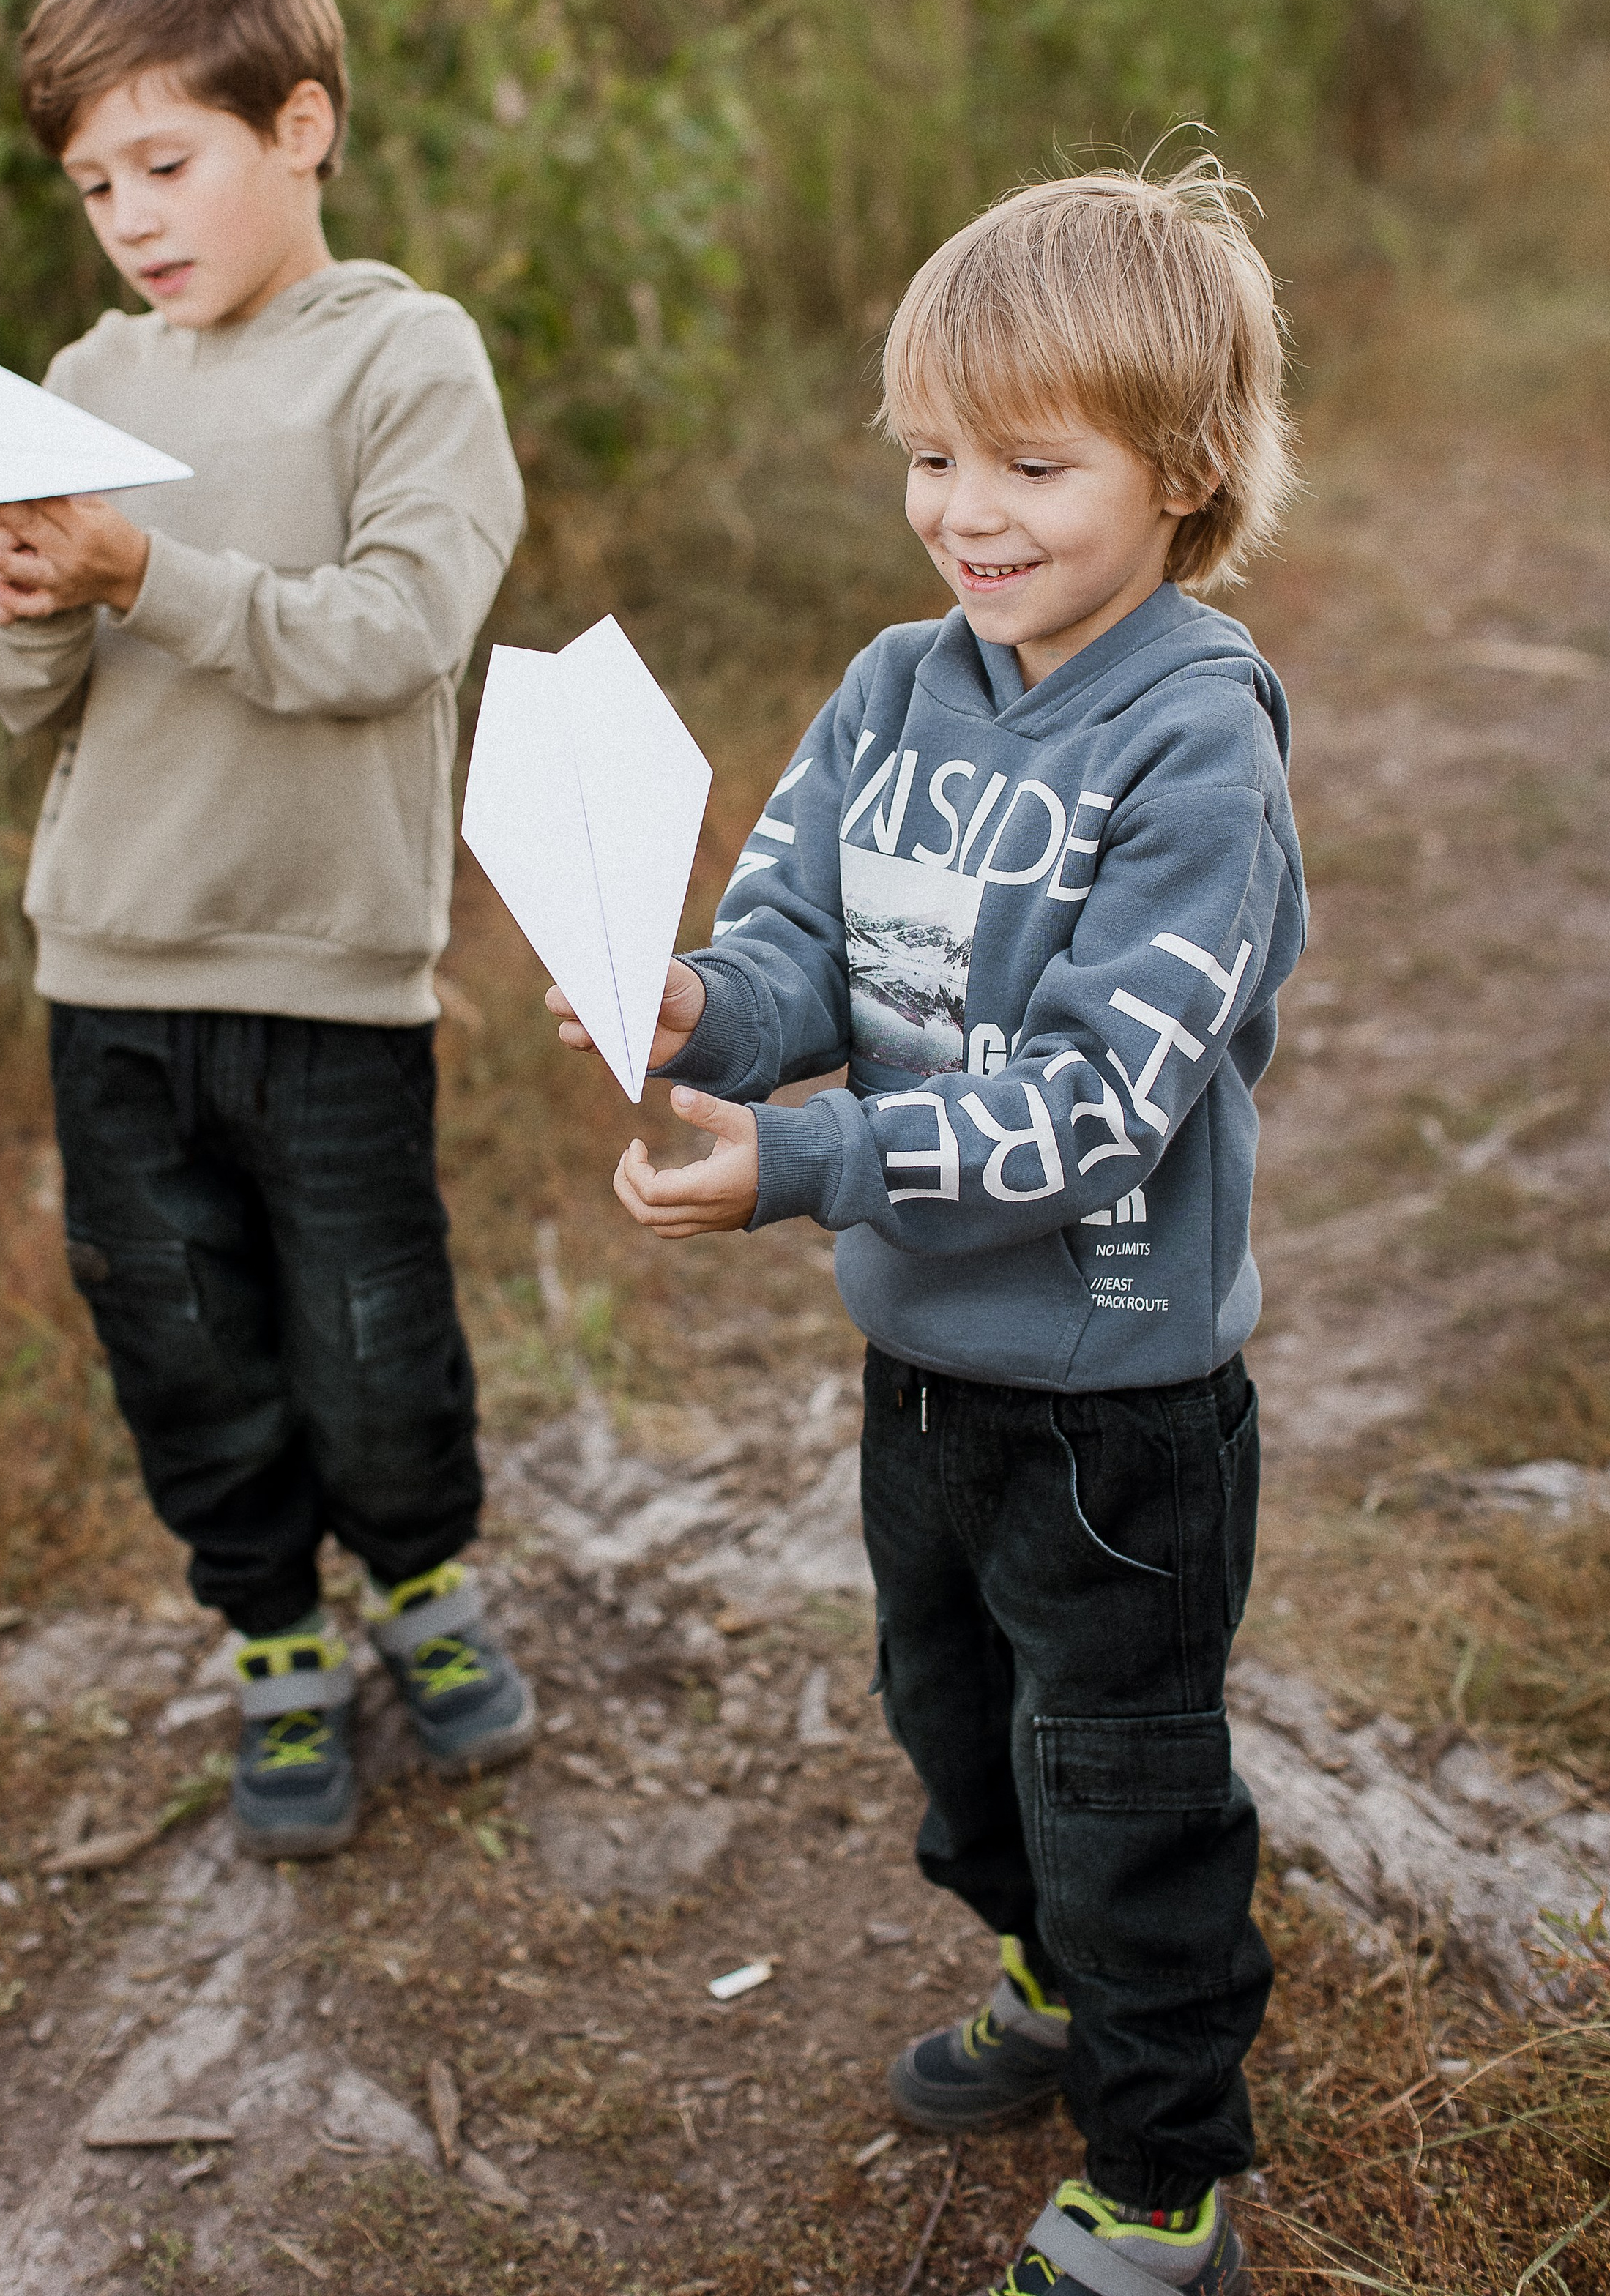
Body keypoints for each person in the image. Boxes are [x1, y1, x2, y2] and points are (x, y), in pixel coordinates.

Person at [551, 163, 1305, 2296]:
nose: (968, 513)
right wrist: (700, 1009)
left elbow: (1095, 1107)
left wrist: (802, 1165)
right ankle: (1045, 1971)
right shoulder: (895, 689)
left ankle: (1163, 2176)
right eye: (932, 457)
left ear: (1184, 468)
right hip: (928, 1367)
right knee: (956, 1731)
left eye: (1032, 466)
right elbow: (800, 938)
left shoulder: (1196, 747)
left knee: (1125, 1785)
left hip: (1121, 1405)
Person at [0, 0, 536, 1860]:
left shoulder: (406, 358)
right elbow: (22, 697)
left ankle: (423, 1584)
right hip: (110, 964)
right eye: (93, 183)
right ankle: (275, 1638)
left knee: (371, 1338)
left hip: (328, 970)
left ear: (300, 127)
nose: (130, 217)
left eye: (166, 162)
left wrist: (143, 570)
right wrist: (27, 596)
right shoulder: (83, 375)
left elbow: (398, 632)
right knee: (181, 1338)